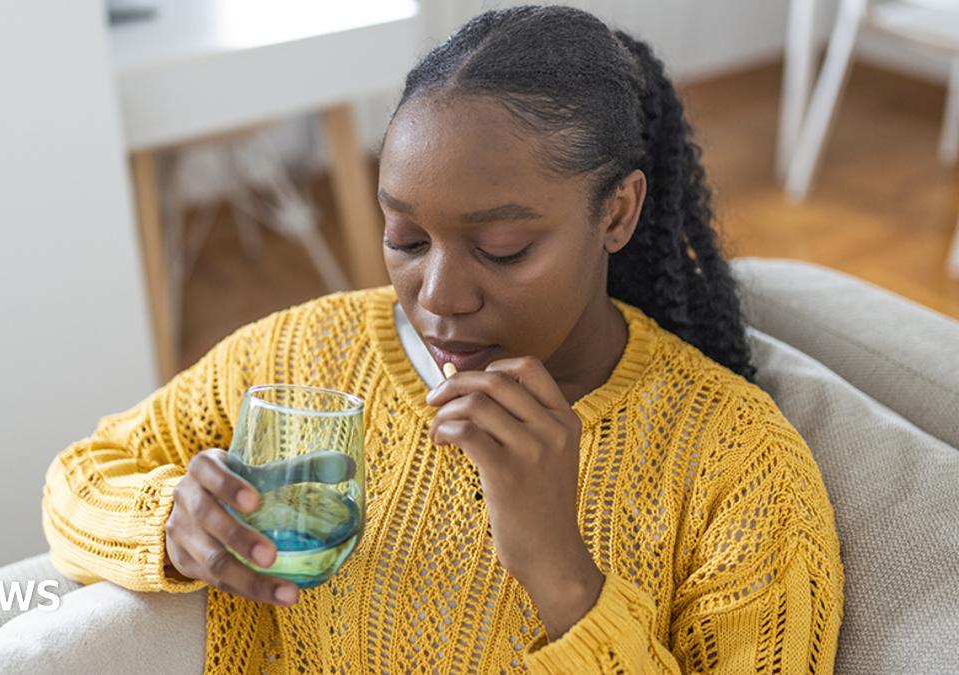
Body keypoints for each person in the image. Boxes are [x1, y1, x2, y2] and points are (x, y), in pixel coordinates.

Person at [41, 5, 844, 672]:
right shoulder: (306, 356)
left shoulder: (736, 467)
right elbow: (77, 480)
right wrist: (173, 526)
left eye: (502, 250)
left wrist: (565, 578)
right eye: (406, 239)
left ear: (617, 212)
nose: (439, 297)